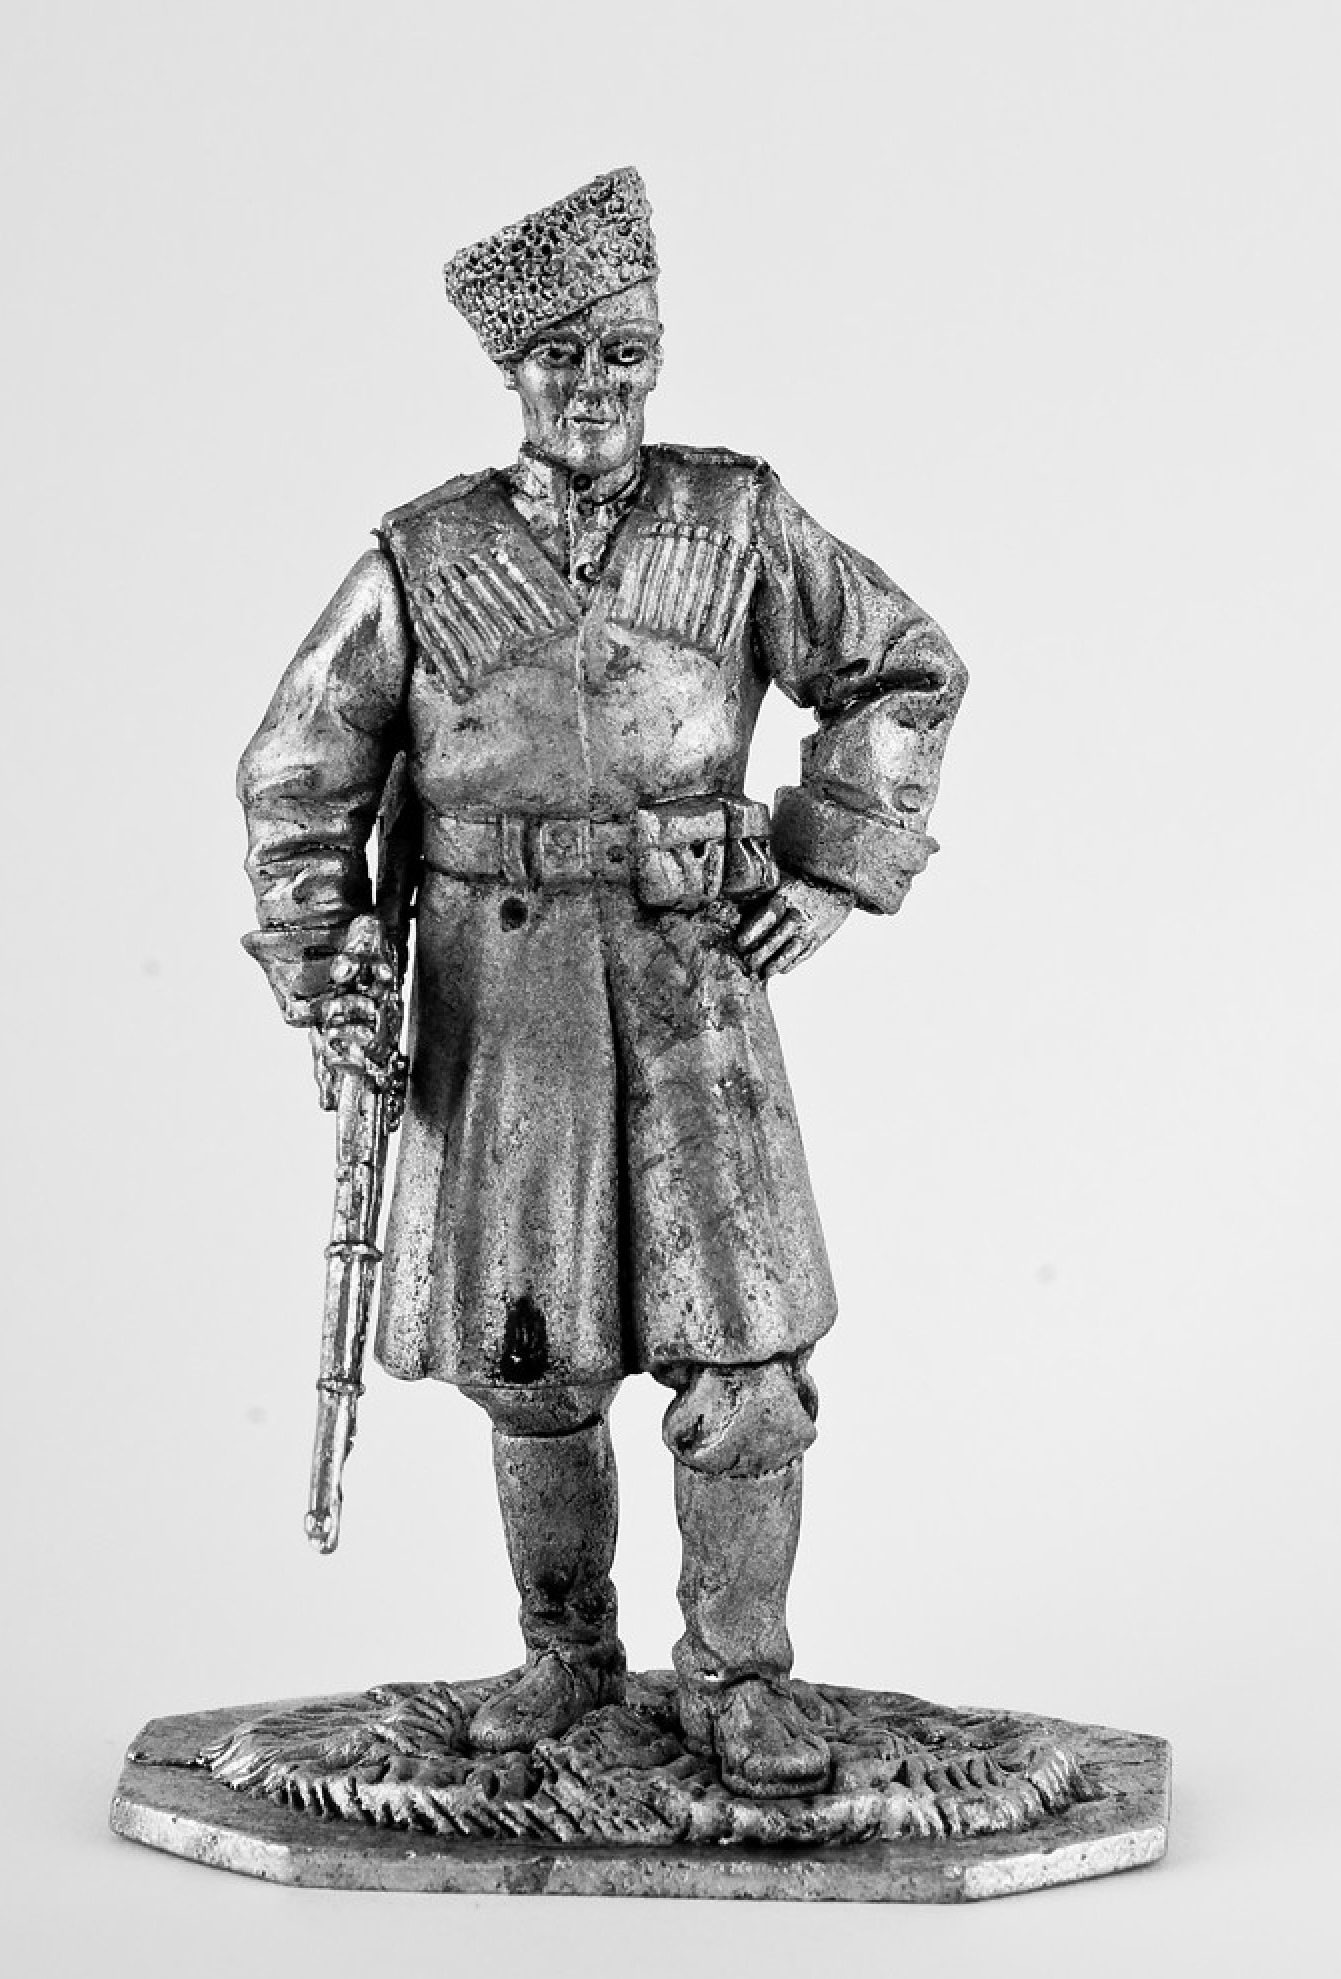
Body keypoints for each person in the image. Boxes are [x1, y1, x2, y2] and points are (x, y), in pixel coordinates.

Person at [238, 166, 967, 1797]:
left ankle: (738, 1675)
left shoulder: (738, 520)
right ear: (513, 371)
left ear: (659, 355)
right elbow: (302, 770)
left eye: (624, 353)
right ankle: (566, 1654)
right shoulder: (425, 555)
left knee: (748, 1361)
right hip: (499, 996)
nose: (594, 386)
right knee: (533, 1363)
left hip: (694, 978)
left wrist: (836, 861)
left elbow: (903, 667)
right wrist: (328, 966)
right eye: (561, 356)